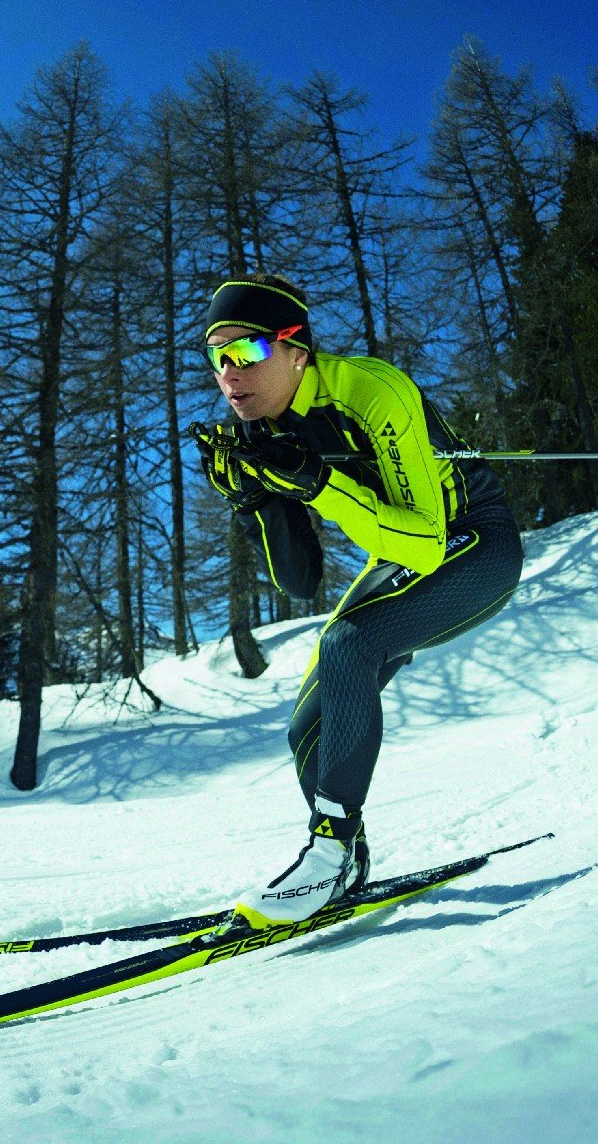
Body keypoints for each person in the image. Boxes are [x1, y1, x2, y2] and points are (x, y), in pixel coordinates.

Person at [191, 274, 522, 928]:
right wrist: (254, 498)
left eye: (246, 350)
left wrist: (316, 481)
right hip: (400, 552)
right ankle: (348, 861)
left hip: (475, 542)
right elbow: (300, 579)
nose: (230, 374)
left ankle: (328, 852)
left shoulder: (373, 393)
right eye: (216, 356)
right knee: (307, 726)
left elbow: (427, 544)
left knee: (351, 642)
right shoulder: (268, 425)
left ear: (297, 351)